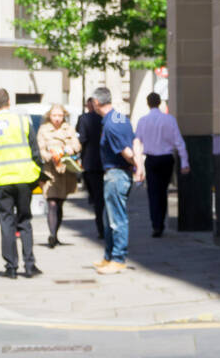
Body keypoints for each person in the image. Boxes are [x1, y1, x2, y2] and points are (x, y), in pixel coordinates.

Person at [0, 88, 43, 278]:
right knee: (25, 221)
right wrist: (38, 172)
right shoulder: (23, 122)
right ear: (9, 102)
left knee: (6, 223)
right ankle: (30, 266)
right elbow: (35, 151)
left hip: (1, 180)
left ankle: (11, 267)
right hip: (24, 178)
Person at [92, 86, 141, 275]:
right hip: (118, 174)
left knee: (116, 219)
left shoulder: (111, 125)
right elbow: (135, 141)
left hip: (116, 175)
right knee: (108, 218)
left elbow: (127, 152)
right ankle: (109, 256)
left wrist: (137, 166)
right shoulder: (120, 118)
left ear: (97, 103)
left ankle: (118, 258)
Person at [133, 92, 190, 237]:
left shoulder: (143, 121)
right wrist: (184, 161)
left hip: (151, 159)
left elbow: (137, 142)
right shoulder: (169, 119)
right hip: (166, 158)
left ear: (148, 103)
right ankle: (160, 222)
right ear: (160, 103)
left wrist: (138, 163)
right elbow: (178, 141)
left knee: (153, 192)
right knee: (162, 190)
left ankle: (156, 223)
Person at [36, 104, 81, 248]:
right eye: (54, 116)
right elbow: (40, 148)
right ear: (50, 116)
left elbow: (77, 145)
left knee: (60, 202)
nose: (57, 119)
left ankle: (56, 234)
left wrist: (70, 148)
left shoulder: (68, 128)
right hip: (50, 170)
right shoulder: (43, 130)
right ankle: (52, 235)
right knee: (52, 202)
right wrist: (50, 155)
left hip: (65, 170)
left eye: (60, 116)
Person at [77, 96, 104, 239]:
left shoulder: (84, 119)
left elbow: (82, 139)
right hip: (106, 163)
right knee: (103, 199)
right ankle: (104, 227)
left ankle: (101, 228)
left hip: (91, 163)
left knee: (97, 199)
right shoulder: (110, 117)